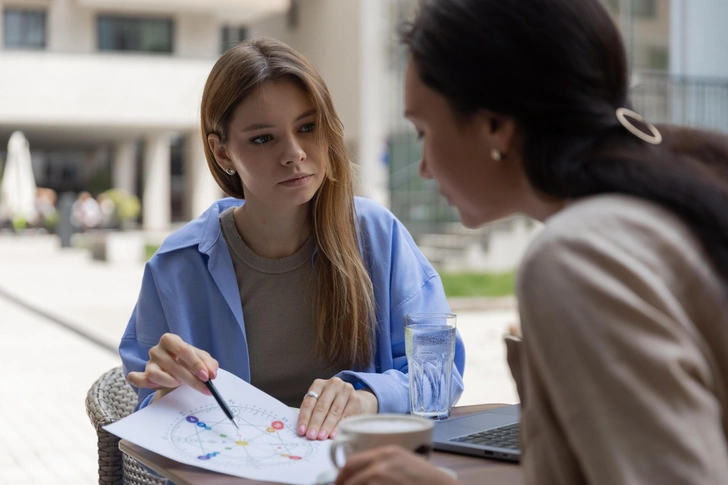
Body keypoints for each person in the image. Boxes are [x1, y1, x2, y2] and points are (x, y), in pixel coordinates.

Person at [335, 0, 728, 484]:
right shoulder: (666, 206)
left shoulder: (578, 257)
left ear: (495, 125)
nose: (423, 167)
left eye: (423, 131)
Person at [119, 37, 465, 442]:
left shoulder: (378, 236)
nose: (295, 153)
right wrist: (167, 392)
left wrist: (368, 397)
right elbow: (146, 417)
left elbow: (441, 378)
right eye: (263, 138)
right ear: (222, 153)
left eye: (307, 127)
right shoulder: (176, 268)